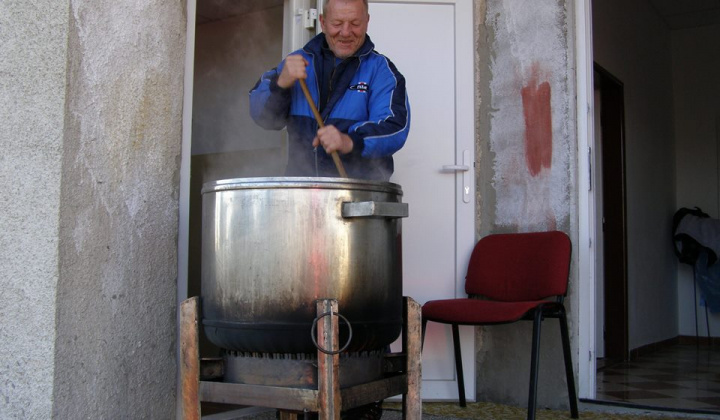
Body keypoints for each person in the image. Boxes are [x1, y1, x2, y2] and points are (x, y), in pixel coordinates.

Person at [249, 0, 410, 181]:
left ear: (367, 21)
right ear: (323, 22)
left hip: (360, 197)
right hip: (302, 193)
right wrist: (280, 85)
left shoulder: (381, 71)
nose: (346, 32)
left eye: (355, 24)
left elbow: (395, 127)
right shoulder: (294, 62)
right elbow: (264, 118)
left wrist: (349, 141)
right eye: (337, 23)